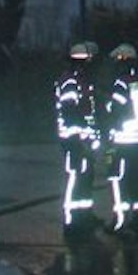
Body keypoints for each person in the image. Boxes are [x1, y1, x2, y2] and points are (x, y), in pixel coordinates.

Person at [102, 42, 138, 237]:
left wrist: (106, 107)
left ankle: (119, 221)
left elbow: (115, 110)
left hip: (120, 141)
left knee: (116, 180)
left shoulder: (120, 84)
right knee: (137, 181)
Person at [54, 41, 102, 232]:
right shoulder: (70, 81)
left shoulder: (83, 80)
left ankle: (85, 216)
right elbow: (70, 110)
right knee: (75, 177)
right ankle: (71, 220)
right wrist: (82, 134)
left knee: (86, 177)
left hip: (84, 138)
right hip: (74, 139)